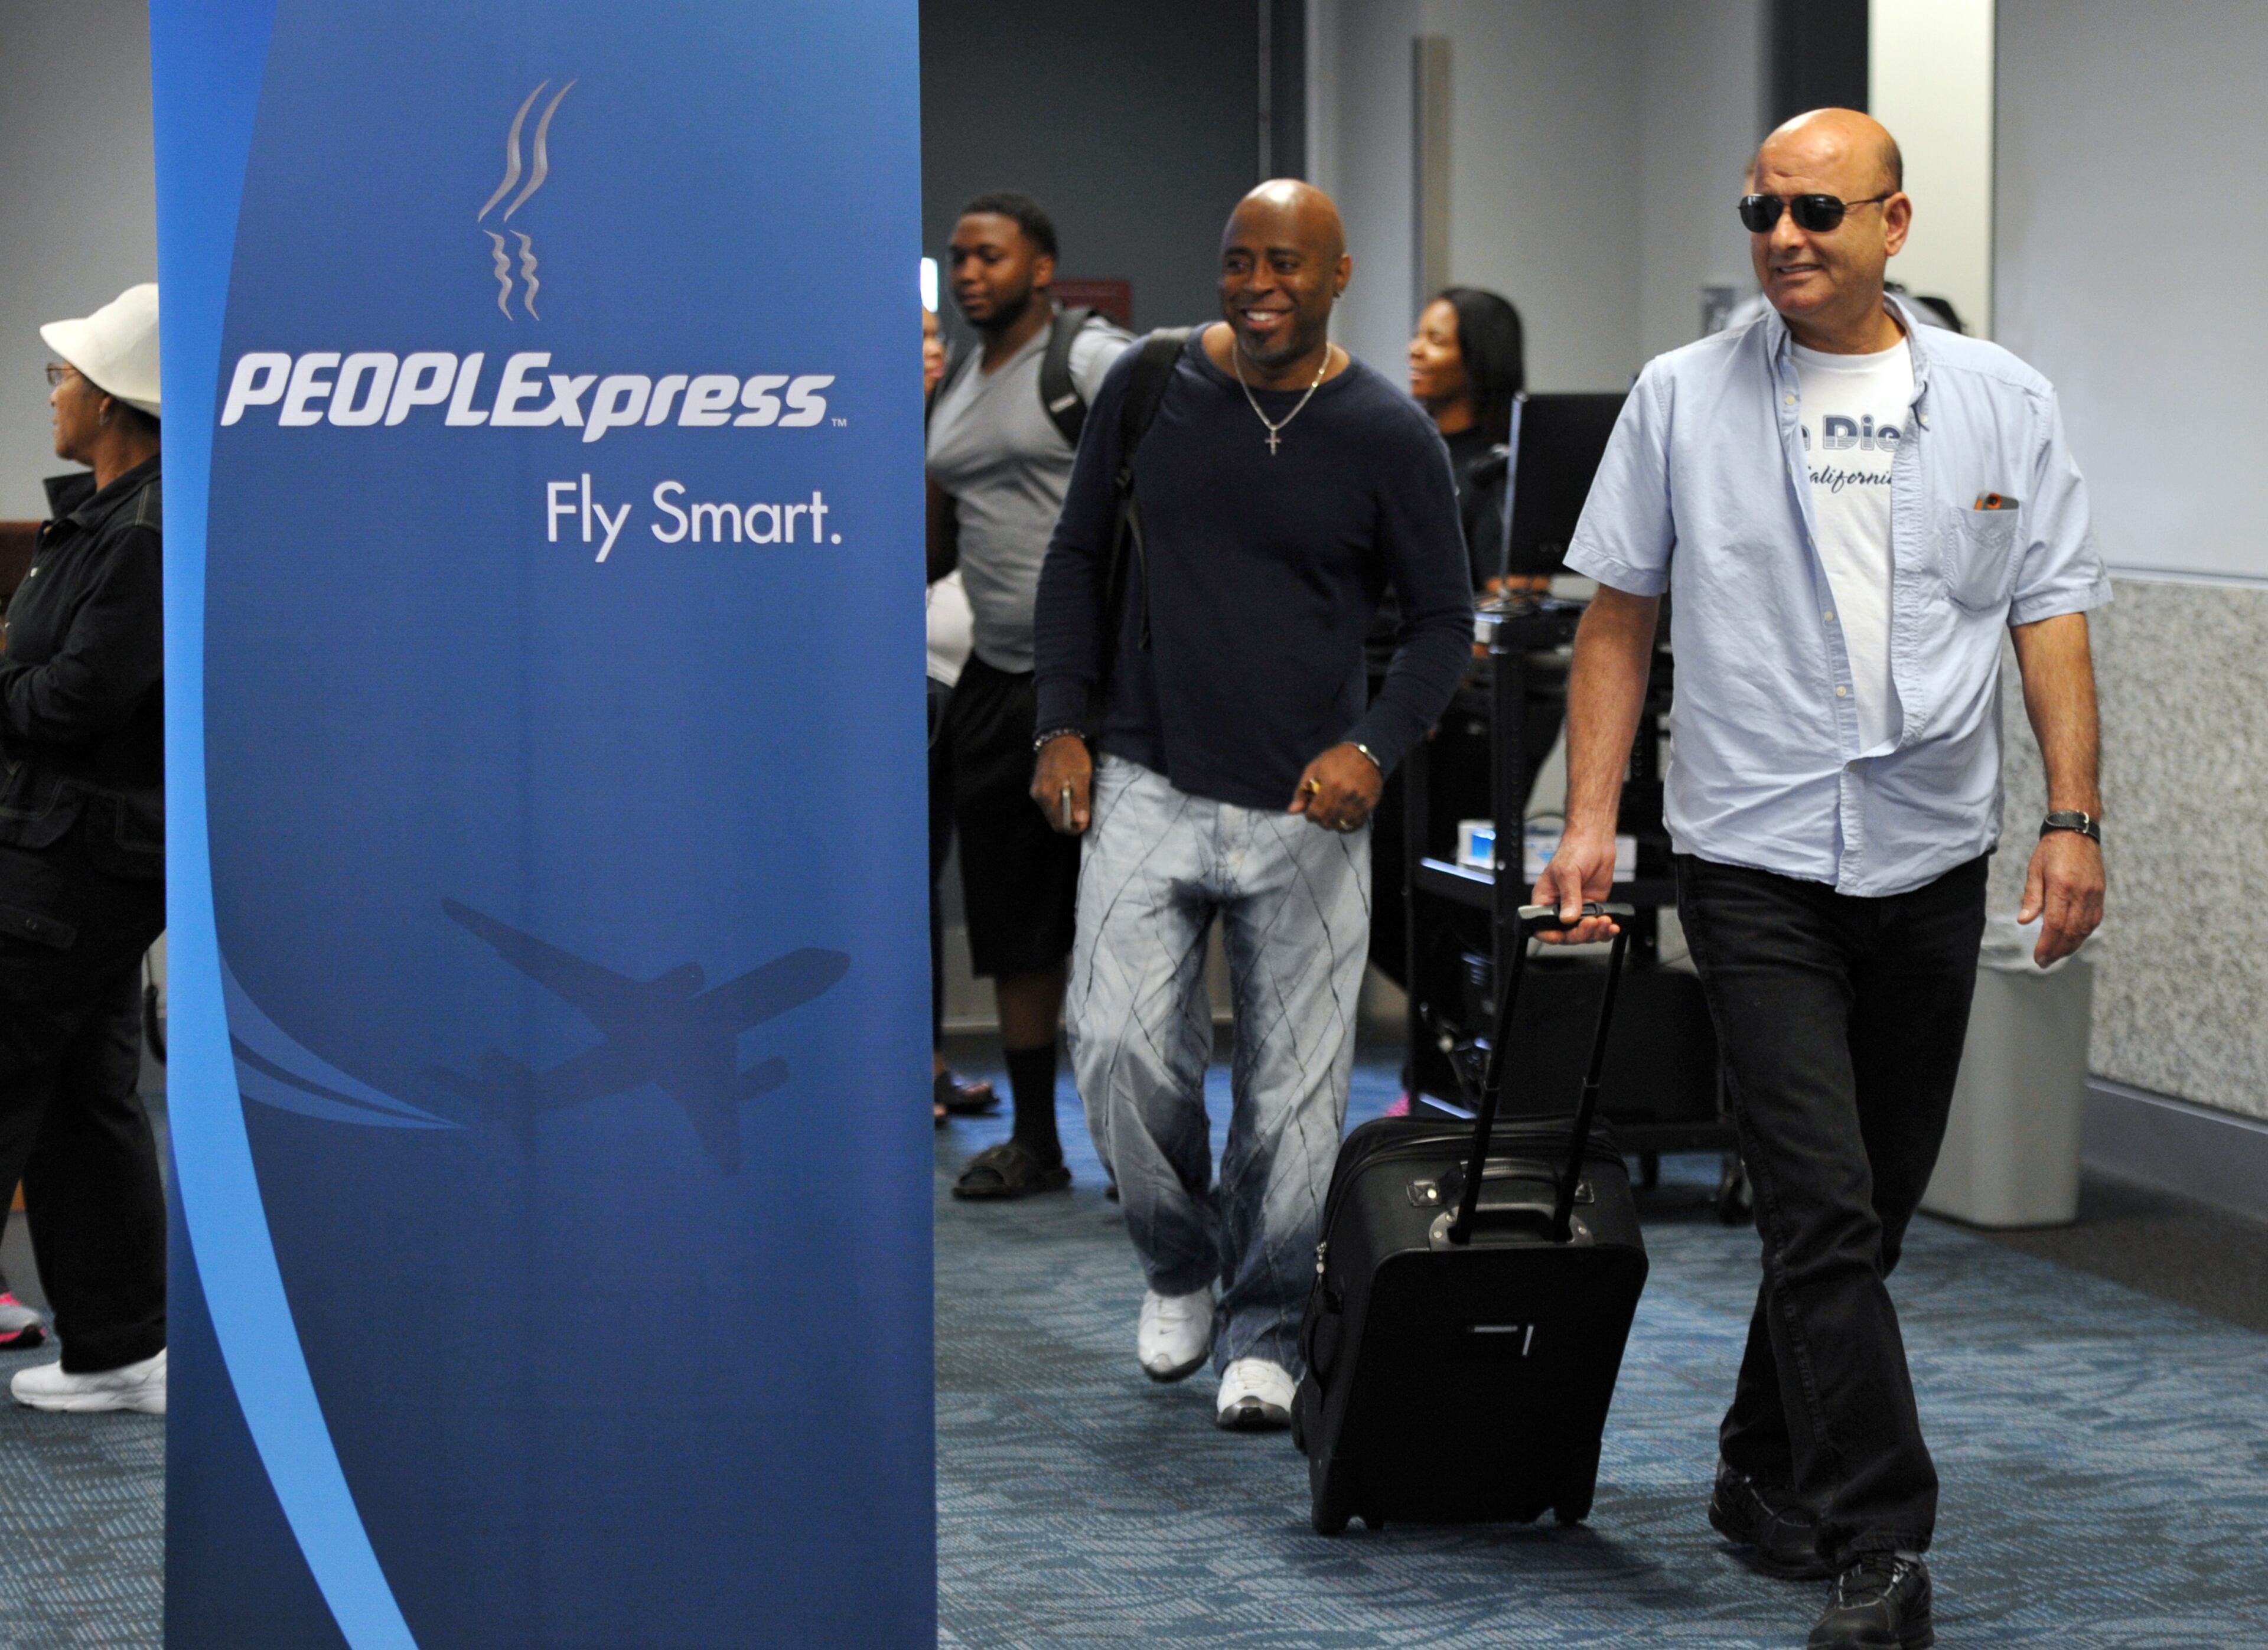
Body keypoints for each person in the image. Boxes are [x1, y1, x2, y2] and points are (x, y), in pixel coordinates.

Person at [1537, 110, 2106, 1649]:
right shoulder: (1682, 398)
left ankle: (1752, 1465)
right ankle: (1881, 1548)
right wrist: (1588, 822)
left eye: (1817, 209)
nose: (1784, 235)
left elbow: (2047, 615)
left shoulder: (1999, 401)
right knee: (1822, 1207)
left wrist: (2074, 816)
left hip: (1932, 852)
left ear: (1894, 222)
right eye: (1760, 211)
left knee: (1860, 1215)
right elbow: (1618, 619)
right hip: (1753, 853)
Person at [1030, 180, 1471, 1429]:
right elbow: (1073, 558)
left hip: (1307, 804)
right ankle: (1178, 1259)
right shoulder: (1154, 383)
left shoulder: (1390, 433)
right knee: (1114, 1049)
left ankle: (1269, 1320)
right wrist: (1061, 722)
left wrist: (1373, 748)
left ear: (1338, 278)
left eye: (1286, 265)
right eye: (1238, 263)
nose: (1258, 287)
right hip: (1148, 773)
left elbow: (1444, 621)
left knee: (1294, 1094)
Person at [926, 192, 1130, 1197]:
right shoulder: (960, 381)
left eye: (990, 257)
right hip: (996, 680)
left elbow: (1182, 412)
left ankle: (1152, 1151)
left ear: (1041, 268)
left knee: (1129, 916)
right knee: (1013, 925)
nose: (969, 273)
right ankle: (1037, 1141)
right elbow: (938, 539)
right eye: (958, 258)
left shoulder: (1084, 359)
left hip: (1098, 686)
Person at [2, 283, 171, 1416]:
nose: (53, 392)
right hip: (75, 859)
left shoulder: (148, 530)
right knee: (83, 1099)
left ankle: (123, 1345)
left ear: (110, 401)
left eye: (64, 377)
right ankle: (118, 1347)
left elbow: (73, 697)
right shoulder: (104, 519)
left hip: (75, 865)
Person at [923, 302, 996, 1127]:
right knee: (905, 879)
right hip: (903, 688)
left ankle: (933, 1060)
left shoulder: (970, 429)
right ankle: (914, 1060)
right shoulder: (848, 426)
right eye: (913, 339)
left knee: (964, 880)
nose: (933, 350)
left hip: (980, 685)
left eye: (937, 336)